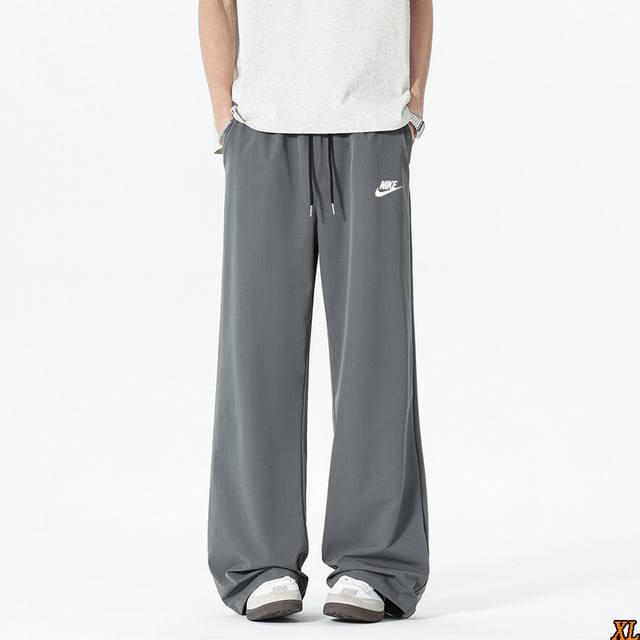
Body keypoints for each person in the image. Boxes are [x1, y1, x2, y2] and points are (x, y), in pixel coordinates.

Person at [199, 0, 433, 623]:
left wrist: (412, 105)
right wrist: (225, 116)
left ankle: (374, 562)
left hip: (373, 126)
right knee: (257, 351)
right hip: (263, 128)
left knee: (376, 351)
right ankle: (259, 561)